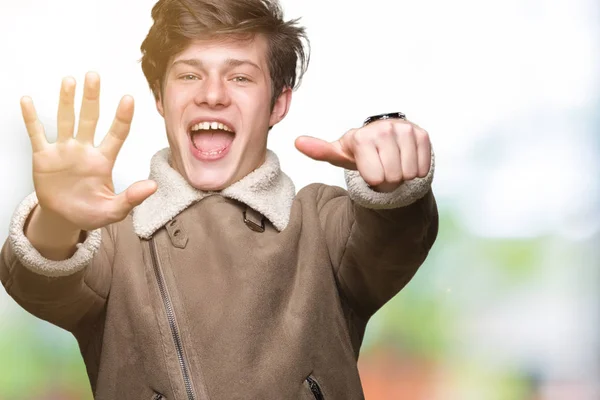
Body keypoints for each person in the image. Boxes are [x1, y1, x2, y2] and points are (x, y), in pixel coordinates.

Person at [0, 0, 438, 398]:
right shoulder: (115, 241)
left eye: (240, 77)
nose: (212, 94)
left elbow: (390, 240)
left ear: (277, 104)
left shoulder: (321, 224)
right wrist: (57, 219)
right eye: (189, 75)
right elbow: (43, 287)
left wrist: (391, 176)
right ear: (160, 98)